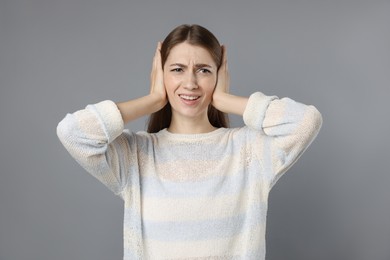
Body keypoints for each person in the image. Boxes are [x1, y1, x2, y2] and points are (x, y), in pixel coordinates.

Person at [57, 24, 322, 260]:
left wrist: (226, 100)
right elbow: (73, 132)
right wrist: (153, 99)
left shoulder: (248, 150)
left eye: (203, 70)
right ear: (161, 75)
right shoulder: (136, 156)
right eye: (177, 69)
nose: (190, 82)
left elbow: (305, 122)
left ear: (219, 75)